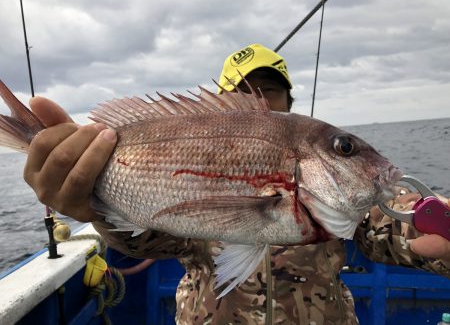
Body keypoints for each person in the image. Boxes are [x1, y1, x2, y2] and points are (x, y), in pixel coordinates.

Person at [23, 43, 450, 324]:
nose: (259, 100)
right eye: (244, 91)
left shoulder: (341, 196)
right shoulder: (198, 148)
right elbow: (149, 240)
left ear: (289, 105)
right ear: (223, 107)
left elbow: (391, 220)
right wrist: (93, 207)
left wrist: (437, 229)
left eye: (269, 90)